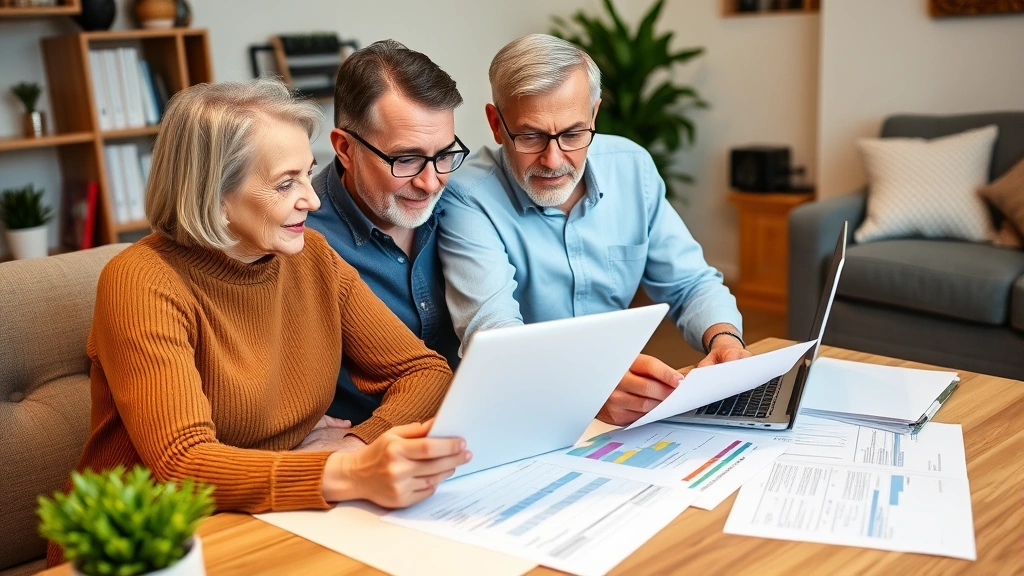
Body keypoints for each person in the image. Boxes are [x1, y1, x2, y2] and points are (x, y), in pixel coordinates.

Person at [48, 78, 471, 566]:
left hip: (280, 510)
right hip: (143, 542)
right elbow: (182, 463)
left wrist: (355, 441)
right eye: (285, 183)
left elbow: (424, 371)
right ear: (214, 193)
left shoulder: (311, 256)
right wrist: (344, 470)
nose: (312, 201)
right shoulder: (141, 281)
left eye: (308, 176)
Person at [439, 34, 751, 426]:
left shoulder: (632, 167)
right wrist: (587, 387)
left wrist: (725, 339)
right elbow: (495, 338)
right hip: (523, 409)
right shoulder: (466, 197)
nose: (553, 160)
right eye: (530, 135)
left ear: (594, 115)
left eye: (572, 134)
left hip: (619, 407)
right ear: (496, 125)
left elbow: (690, 282)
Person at [307, 40, 466, 428]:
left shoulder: (466, 208)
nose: (431, 183)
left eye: (444, 155)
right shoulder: (299, 238)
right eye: (406, 159)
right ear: (345, 148)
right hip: (367, 454)